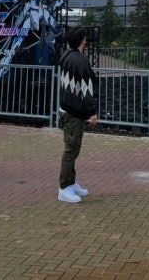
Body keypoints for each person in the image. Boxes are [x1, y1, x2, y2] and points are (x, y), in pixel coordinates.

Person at [57, 26, 97, 203]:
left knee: (72, 147)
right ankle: (64, 187)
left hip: (66, 106)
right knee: (71, 149)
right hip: (74, 111)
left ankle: (71, 183)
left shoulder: (66, 56)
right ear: (83, 41)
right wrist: (92, 112)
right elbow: (87, 89)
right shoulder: (81, 61)